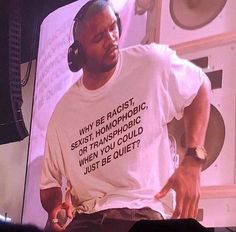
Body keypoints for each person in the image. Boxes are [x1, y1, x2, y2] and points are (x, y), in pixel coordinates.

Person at [39, 0, 211, 232]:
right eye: (99, 37)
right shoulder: (62, 116)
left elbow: (200, 86)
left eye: (113, 28)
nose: (111, 39)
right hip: (87, 220)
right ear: (78, 55)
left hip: (145, 213)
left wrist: (193, 160)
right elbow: (48, 186)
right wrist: (56, 206)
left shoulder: (151, 64)